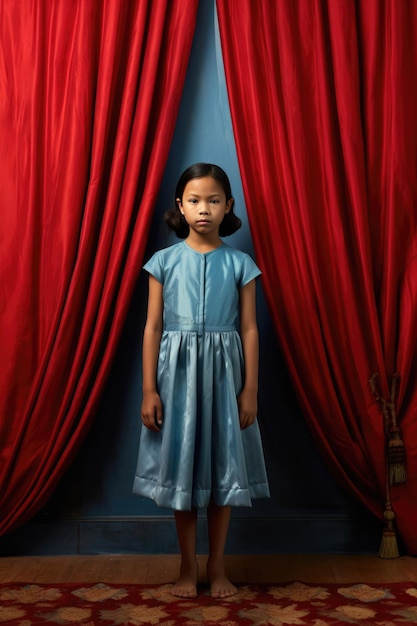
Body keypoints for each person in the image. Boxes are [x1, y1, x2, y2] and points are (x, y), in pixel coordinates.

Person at [133, 163, 269, 599]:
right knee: (184, 473)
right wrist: (149, 389)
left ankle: (218, 565)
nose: (204, 209)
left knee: (223, 469)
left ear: (228, 205)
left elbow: (249, 328)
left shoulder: (240, 263)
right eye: (194, 200)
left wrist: (249, 388)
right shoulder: (163, 262)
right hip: (176, 380)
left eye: (213, 200)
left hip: (226, 377)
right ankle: (186, 567)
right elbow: (153, 327)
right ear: (180, 206)